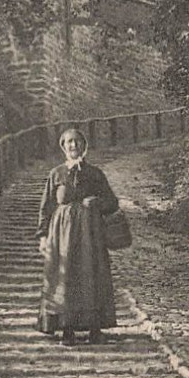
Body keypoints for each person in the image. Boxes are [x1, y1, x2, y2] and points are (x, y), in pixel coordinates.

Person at [37, 127, 120, 343]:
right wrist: (43, 236)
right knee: (64, 278)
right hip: (61, 236)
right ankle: (67, 328)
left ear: (84, 145)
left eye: (77, 142)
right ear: (63, 147)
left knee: (91, 276)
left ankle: (94, 328)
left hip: (90, 234)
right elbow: (46, 206)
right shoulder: (56, 174)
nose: (73, 146)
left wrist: (96, 202)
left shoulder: (95, 174)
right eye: (69, 142)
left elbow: (112, 203)